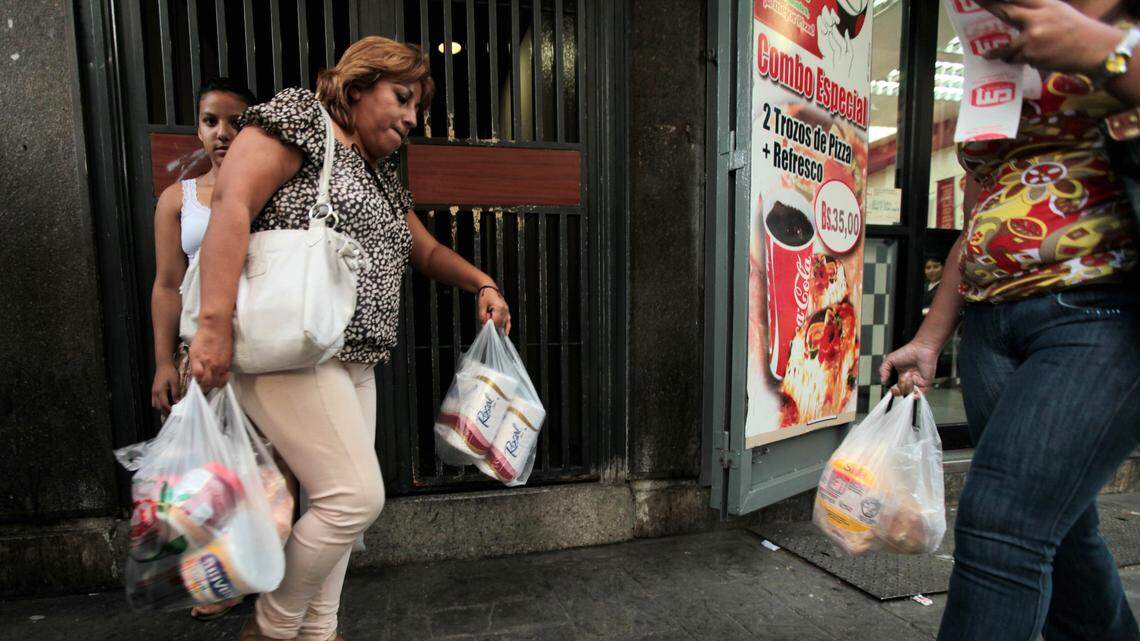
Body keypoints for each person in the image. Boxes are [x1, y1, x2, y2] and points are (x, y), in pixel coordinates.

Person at [189, 37, 511, 641]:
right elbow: (232, 204)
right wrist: (211, 326)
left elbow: (427, 249)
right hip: (292, 350)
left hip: (352, 362)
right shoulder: (299, 119)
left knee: (334, 510)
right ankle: (273, 626)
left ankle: (321, 632)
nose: (413, 119)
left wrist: (481, 283)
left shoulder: (380, 170)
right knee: (355, 499)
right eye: (404, 99)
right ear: (359, 85)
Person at [881, 1, 1140, 639]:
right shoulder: (1000, 45)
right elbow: (987, 206)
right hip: (993, 326)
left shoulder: (1113, 31)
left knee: (1002, 522)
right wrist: (931, 336)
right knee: (1060, 527)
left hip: (1097, 313)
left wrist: (1107, 54)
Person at [148, 77, 258, 621]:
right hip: (204, 357)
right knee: (210, 474)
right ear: (198, 128)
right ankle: (219, 578)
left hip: (262, 349)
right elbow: (168, 284)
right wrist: (164, 361)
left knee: (266, 468)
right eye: (211, 120)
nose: (223, 132)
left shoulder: (269, 193)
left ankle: (269, 567)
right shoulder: (179, 199)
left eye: (236, 120)